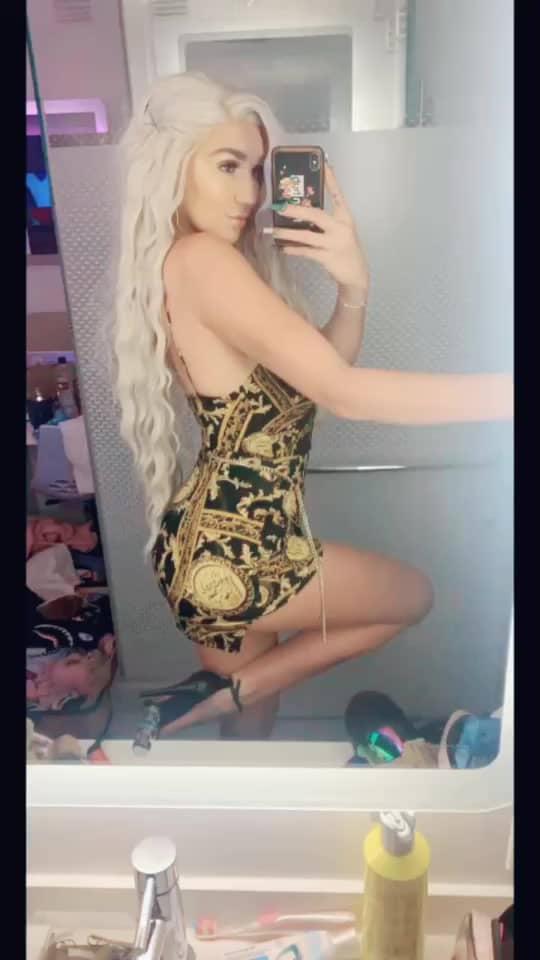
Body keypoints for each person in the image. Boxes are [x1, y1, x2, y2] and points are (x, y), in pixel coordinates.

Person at [112, 73, 512, 740]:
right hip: (242, 550)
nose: (250, 193)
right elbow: (343, 392)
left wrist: (353, 287)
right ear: (172, 165)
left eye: (257, 171)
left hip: (205, 548)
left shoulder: (181, 264)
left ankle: (222, 702)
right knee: (412, 596)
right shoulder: (203, 260)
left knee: (253, 733)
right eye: (228, 166)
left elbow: (321, 377)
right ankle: (227, 697)